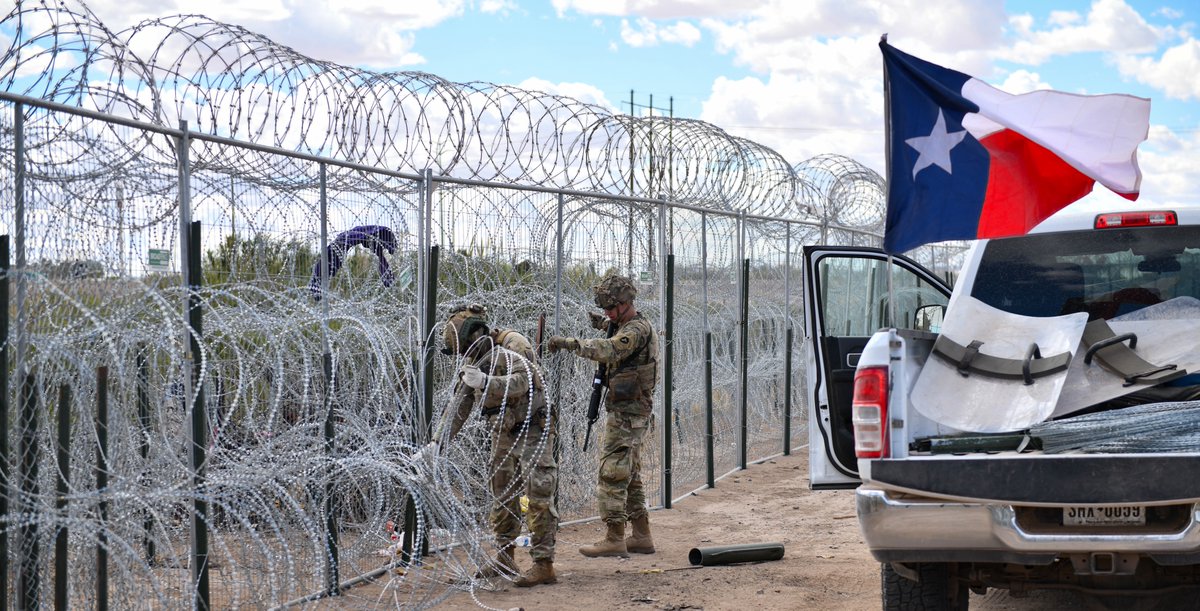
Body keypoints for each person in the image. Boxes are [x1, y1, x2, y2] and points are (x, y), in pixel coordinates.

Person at [440, 303, 559, 587]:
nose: (464, 357)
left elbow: (527, 381)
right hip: (503, 432)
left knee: (538, 496)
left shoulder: (513, 345)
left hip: (532, 429)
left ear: (474, 335)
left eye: (465, 349)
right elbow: (461, 403)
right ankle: (505, 556)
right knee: (502, 494)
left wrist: (487, 381)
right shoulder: (476, 359)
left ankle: (544, 565)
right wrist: (438, 443)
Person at [547, 274, 658, 557]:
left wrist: (569, 343)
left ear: (625, 303)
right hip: (628, 410)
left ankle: (614, 537)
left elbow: (610, 349)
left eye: (611, 308)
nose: (607, 313)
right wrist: (601, 322)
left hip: (628, 414)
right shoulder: (624, 324)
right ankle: (641, 535)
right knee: (629, 474)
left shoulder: (635, 331)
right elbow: (611, 330)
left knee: (611, 473)